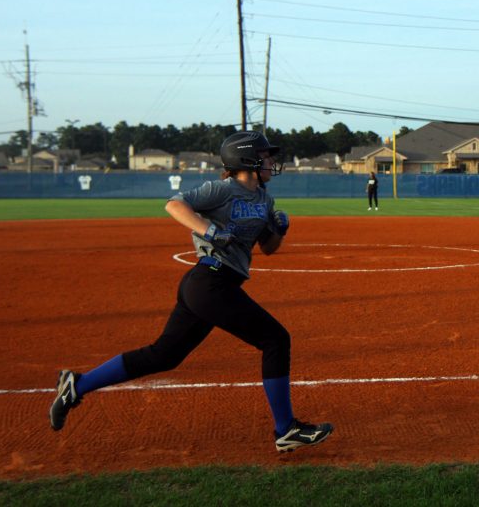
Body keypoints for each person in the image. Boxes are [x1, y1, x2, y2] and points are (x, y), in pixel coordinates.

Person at [48, 130, 333, 453]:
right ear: (247, 159)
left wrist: (278, 229)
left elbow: (268, 248)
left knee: (164, 355)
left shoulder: (264, 200)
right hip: (209, 281)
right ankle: (286, 429)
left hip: (212, 286)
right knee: (275, 339)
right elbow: (174, 204)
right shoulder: (222, 189)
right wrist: (210, 230)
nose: (271, 162)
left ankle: (78, 385)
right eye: (266, 156)